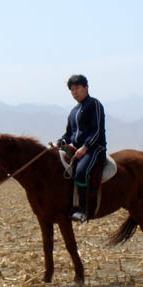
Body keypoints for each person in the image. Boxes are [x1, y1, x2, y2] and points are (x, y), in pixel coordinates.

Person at [56, 74, 106, 223]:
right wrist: (61, 141)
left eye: (77, 88)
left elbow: (97, 131)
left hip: (95, 149)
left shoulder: (94, 105)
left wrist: (86, 147)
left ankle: (83, 211)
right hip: (76, 149)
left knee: (81, 172)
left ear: (86, 87)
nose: (74, 92)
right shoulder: (73, 111)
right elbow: (69, 134)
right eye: (72, 90)